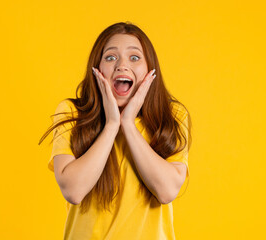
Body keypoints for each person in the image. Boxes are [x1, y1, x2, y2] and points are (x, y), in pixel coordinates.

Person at [39, 21, 192, 240]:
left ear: (150, 69)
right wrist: (112, 125)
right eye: (110, 57)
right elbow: (73, 190)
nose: (122, 65)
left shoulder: (171, 116)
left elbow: (167, 191)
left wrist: (128, 124)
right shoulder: (72, 113)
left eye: (134, 57)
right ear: (97, 69)